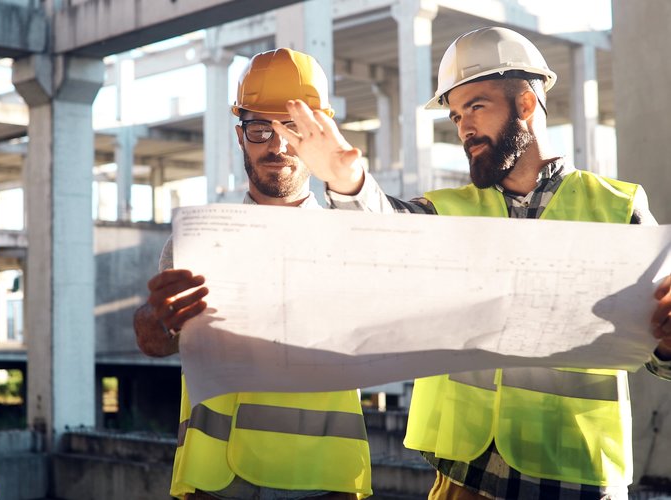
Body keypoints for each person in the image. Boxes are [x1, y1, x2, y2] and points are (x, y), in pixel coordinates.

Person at [273, 26, 671, 500]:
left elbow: (657, 355)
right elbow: (385, 234)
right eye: (456, 114)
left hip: (574, 479)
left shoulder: (617, 209)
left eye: (476, 107)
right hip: (465, 478)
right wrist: (348, 179)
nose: (463, 127)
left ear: (526, 104)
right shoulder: (447, 210)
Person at [133, 48, 372, 500]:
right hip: (216, 481)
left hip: (325, 481)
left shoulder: (354, 240)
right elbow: (158, 342)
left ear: (317, 133)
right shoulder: (196, 243)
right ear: (240, 136)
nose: (277, 146)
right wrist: (153, 322)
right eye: (260, 129)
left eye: (293, 129)